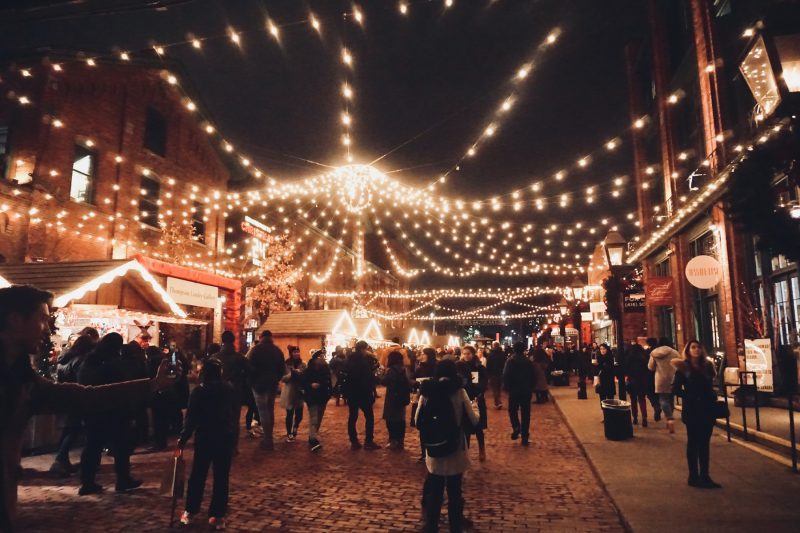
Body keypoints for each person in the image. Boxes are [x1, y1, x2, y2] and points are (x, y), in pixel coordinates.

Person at [0, 285, 179, 532]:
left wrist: (152, 385)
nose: (48, 328)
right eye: (42, 318)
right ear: (15, 320)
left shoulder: (23, 379)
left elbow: (86, 397)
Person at [416, 359, 479, 533]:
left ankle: (431, 525)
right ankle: (455, 527)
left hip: (435, 448)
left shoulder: (427, 391)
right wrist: (476, 406)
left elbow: (416, 420)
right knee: (454, 490)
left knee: (435, 490)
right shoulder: (459, 392)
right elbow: (474, 419)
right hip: (455, 448)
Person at [178, 358, 237, 531]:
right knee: (221, 477)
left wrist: (183, 438)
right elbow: (233, 414)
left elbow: (191, 418)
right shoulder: (229, 389)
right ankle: (218, 515)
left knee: (198, 475)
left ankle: (191, 510)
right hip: (224, 436)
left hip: (205, 437)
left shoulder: (199, 392)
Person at [672, 340, 721, 489]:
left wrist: (712, 394)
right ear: (688, 350)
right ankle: (693, 476)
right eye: (693, 347)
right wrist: (690, 396)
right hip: (692, 409)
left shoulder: (708, 366)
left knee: (705, 443)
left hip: (707, 408)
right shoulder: (682, 367)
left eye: (699, 347)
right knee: (693, 443)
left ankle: (705, 476)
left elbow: (711, 384)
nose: (696, 350)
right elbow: (675, 389)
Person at [49, 331, 97, 476]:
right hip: (76, 397)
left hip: (65, 396)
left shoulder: (64, 358)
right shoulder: (80, 360)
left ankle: (63, 460)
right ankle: (59, 460)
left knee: (69, 429)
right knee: (74, 429)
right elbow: (82, 379)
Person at [246, 330, 286, 450]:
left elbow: (248, 367)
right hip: (272, 384)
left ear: (261, 337)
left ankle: (268, 440)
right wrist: (276, 379)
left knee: (263, 411)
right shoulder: (277, 350)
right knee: (270, 410)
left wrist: (252, 381)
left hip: (258, 384)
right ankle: (269, 437)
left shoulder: (255, 350)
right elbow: (281, 369)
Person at [213, 331, 248, 454]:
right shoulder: (240, 358)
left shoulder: (215, 358)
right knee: (234, 419)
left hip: (218, 391)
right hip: (235, 391)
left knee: (218, 418)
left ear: (222, 341)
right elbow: (249, 372)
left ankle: (219, 444)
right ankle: (233, 446)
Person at [342, 341, 380, 450]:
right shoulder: (363, 361)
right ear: (363, 349)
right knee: (369, 417)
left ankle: (354, 441)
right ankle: (368, 441)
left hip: (352, 393)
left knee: (353, 417)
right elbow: (367, 376)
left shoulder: (348, 360)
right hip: (364, 393)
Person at [456, 345, 488, 461]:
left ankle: (482, 449)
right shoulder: (459, 366)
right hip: (464, 398)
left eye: (468, 353)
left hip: (476, 398)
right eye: (464, 353)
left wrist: (477, 389)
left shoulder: (479, 367)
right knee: (465, 427)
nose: (466, 356)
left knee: (478, 427)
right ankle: (466, 452)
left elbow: (484, 383)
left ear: (473, 354)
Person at [502, 342, 535, 446]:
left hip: (514, 390)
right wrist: (531, 387)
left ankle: (516, 426)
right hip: (526, 390)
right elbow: (533, 375)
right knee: (526, 413)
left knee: (512, 410)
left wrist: (506, 387)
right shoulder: (528, 361)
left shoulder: (510, 361)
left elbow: (506, 375)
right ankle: (525, 436)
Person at [382, 350, 412, 450]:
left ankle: (393, 440)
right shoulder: (404, 370)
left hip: (392, 398)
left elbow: (384, 382)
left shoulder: (391, 371)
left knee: (390, 420)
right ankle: (400, 441)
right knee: (400, 419)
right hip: (402, 397)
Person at [649, 337, 680, 433]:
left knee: (663, 399)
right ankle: (670, 417)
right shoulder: (675, 352)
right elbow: (680, 364)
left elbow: (650, 367)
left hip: (660, 379)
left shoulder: (654, 353)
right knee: (671, 398)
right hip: (673, 378)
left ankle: (669, 418)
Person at [412, 347, 438, 462]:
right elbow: (413, 381)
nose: (421, 356)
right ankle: (424, 453)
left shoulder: (436, 367)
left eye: (423, 354)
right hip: (421, 399)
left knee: (432, 426)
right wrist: (417, 383)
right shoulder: (419, 368)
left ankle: (432, 451)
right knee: (422, 426)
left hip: (433, 399)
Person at [303, 349, 332, 451]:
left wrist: (328, 393)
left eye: (322, 356)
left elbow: (329, 382)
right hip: (312, 396)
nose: (322, 358)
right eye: (320, 357)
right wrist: (311, 385)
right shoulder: (308, 370)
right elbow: (303, 382)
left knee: (319, 418)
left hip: (322, 397)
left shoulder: (326, 369)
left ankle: (313, 434)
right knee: (314, 418)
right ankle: (313, 439)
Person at [280, 346, 306, 443]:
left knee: (299, 414)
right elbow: (283, 378)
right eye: (294, 352)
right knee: (289, 414)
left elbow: (306, 376)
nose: (296, 353)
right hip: (290, 391)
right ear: (291, 353)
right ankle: (289, 433)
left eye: (298, 352)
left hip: (299, 392)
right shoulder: (286, 364)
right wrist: (291, 374)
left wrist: (300, 373)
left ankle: (295, 427)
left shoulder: (303, 364)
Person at [624, 343, 651, 426]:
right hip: (642, 380)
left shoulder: (629, 358)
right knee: (642, 399)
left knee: (633, 400)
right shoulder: (644, 357)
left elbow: (626, 369)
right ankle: (644, 417)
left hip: (632, 380)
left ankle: (635, 418)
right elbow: (648, 369)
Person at [484, 342, 506, 409]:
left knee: (494, 389)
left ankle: (498, 402)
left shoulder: (490, 354)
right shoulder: (502, 354)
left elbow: (488, 365)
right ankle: (498, 401)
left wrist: (488, 374)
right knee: (498, 388)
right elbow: (505, 364)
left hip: (493, 374)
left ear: (493, 346)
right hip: (501, 373)